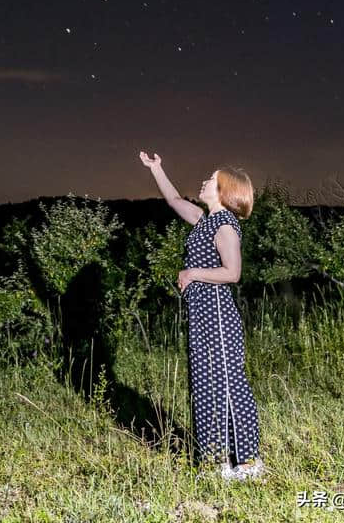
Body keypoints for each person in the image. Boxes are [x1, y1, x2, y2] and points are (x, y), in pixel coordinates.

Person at [139, 150, 265, 481]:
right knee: (206, 384)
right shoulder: (205, 220)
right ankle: (214, 459)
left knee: (229, 383)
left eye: (211, 179)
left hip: (219, 316)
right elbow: (173, 202)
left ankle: (249, 462)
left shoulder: (225, 224)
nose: (205, 181)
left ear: (224, 191)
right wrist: (157, 170)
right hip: (202, 314)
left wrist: (193, 272)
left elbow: (233, 272)